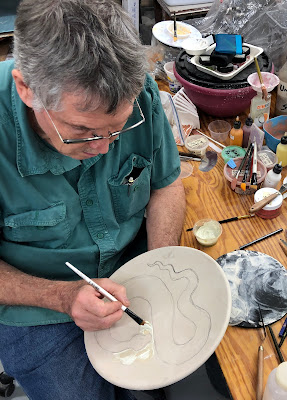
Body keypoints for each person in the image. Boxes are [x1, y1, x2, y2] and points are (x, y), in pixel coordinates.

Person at [0, 0, 186, 399]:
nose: (104, 148)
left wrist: (160, 267)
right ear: (25, 89)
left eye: (118, 129)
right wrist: (63, 297)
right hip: (38, 304)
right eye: (82, 131)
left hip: (133, 264)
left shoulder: (134, 92)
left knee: (181, 367)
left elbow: (165, 185)